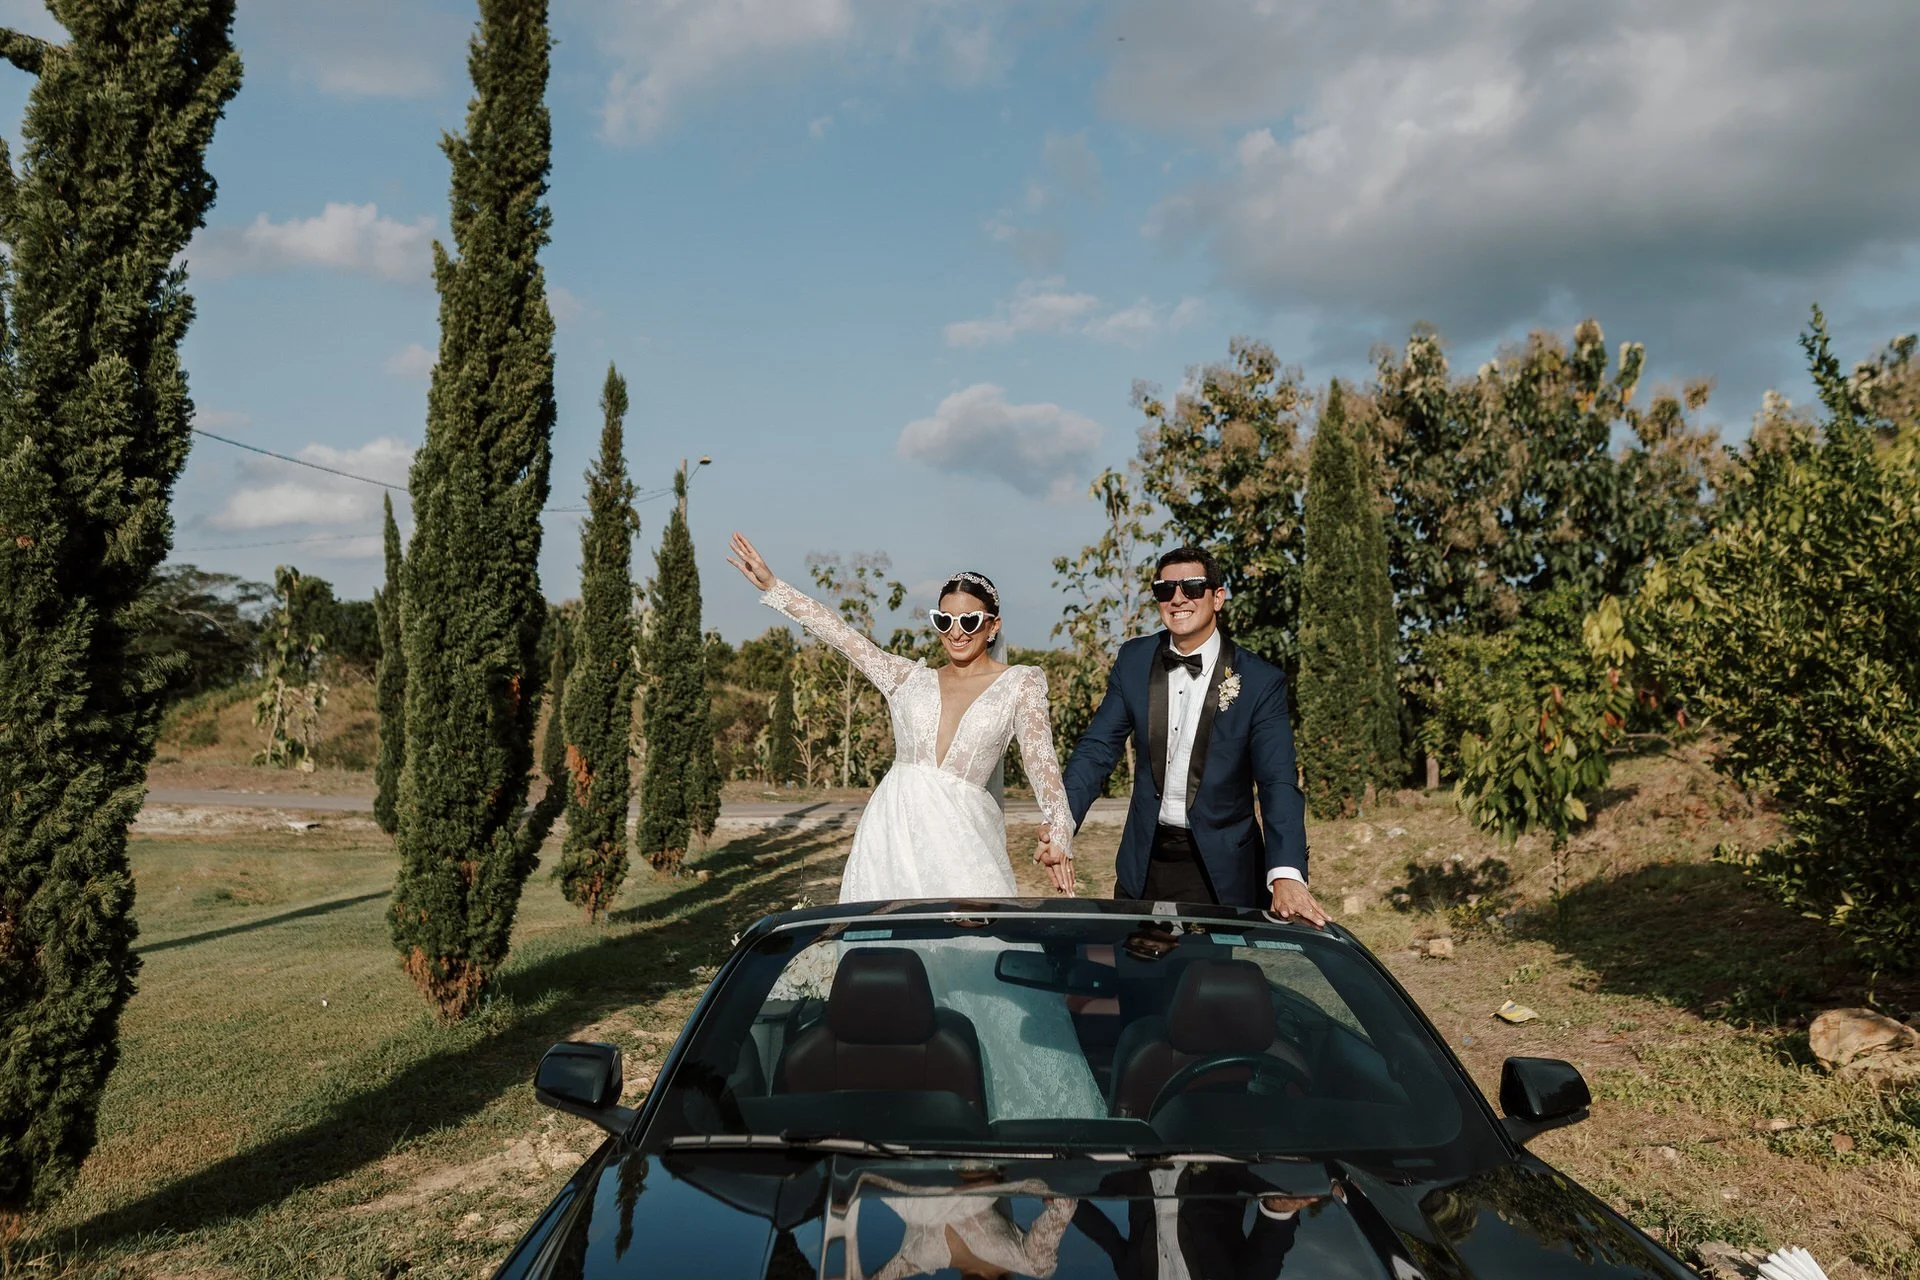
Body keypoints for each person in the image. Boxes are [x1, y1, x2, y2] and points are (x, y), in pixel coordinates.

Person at [726, 533, 1103, 1120]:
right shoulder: (906, 677)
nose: (956, 632)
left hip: (965, 847)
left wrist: (1060, 834)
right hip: (891, 842)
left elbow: (1043, 766)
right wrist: (776, 588)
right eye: (943, 620)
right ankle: (885, 1106)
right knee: (887, 971)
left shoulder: (1021, 683)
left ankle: (1004, 1118)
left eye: (969, 621)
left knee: (982, 975)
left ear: (993, 625)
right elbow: (842, 636)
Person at [1048, 545, 1328, 925]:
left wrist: (1286, 873)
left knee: (1210, 965)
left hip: (1222, 871)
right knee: (1132, 961)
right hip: (1144, 862)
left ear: (1218, 597)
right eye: (1165, 589)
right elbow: (1098, 749)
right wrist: (1061, 821)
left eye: (1192, 587)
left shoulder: (1261, 682)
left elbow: (1277, 782)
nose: (1177, 598)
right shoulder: (1134, 660)